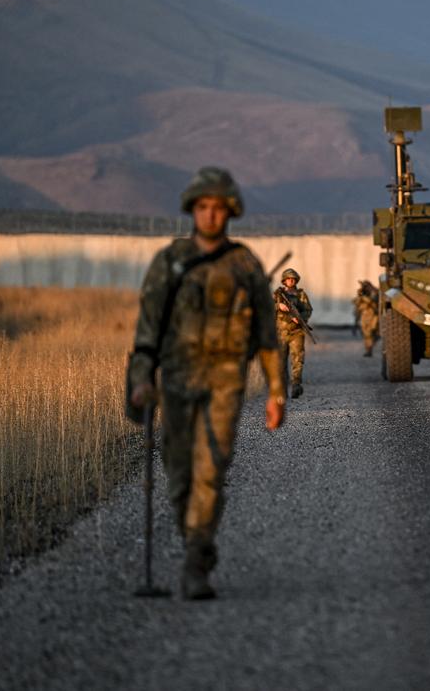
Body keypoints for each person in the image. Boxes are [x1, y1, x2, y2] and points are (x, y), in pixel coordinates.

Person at [125, 167, 286, 600]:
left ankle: (196, 561)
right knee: (179, 474)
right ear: (192, 210)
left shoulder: (244, 264)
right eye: (203, 207)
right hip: (176, 381)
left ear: (230, 211)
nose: (211, 216)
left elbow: (267, 336)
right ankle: (197, 540)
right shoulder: (170, 261)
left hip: (225, 382)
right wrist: (140, 382)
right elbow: (147, 332)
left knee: (210, 470)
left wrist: (276, 391)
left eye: (218, 208)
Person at [274, 268, 313, 399]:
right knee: (280, 361)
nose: (291, 281)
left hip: (296, 332)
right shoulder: (278, 294)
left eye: (293, 279)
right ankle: (281, 388)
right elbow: (267, 308)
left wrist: (300, 317)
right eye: (288, 279)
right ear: (284, 280)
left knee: (297, 359)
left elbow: (308, 310)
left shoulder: (301, 294)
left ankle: (296, 385)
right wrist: (278, 306)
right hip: (281, 333)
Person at [353, 280, 380, 357]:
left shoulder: (375, 293)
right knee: (366, 334)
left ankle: (370, 346)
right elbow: (356, 304)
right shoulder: (362, 294)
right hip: (364, 316)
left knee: (375, 333)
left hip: (373, 317)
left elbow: (373, 302)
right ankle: (369, 350)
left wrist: (367, 296)